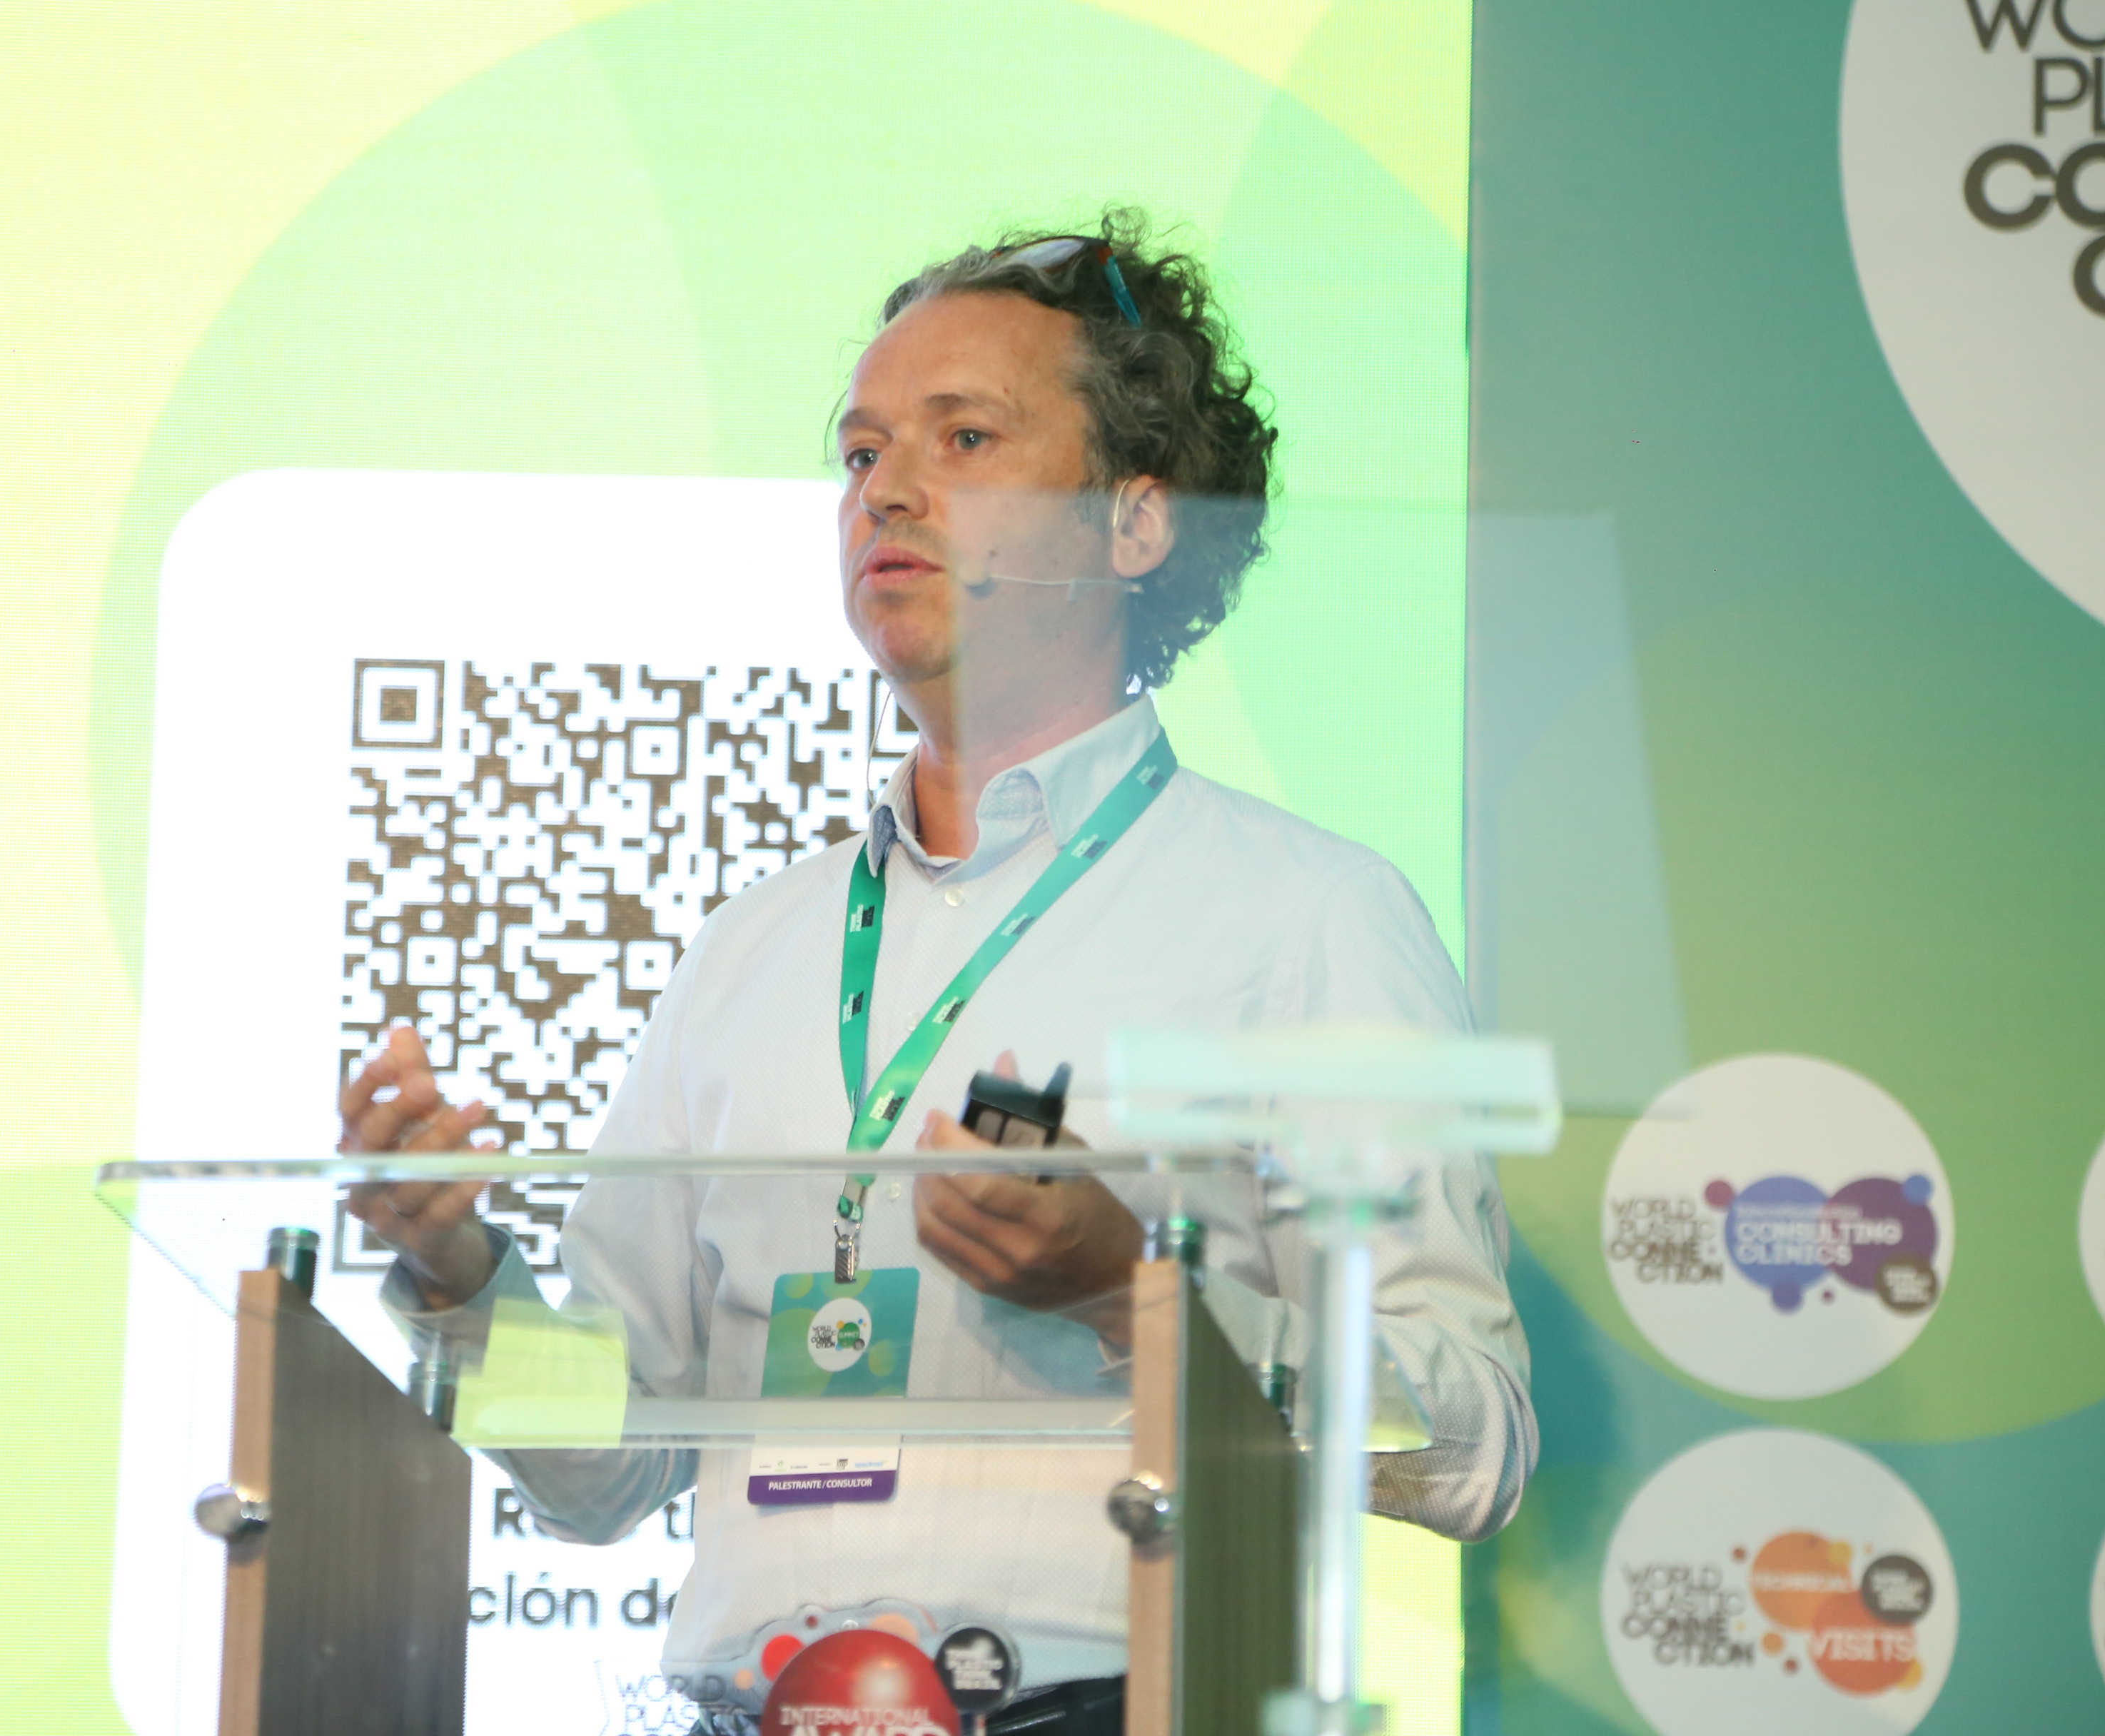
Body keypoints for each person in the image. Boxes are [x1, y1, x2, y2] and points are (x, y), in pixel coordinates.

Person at [339, 212, 1532, 1735]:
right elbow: (605, 1472)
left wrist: (1132, 1296)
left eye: (964, 438)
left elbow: (1473, 1442)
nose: (885, 491)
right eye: (860, 453)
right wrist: (458, 1274)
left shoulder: (1312, 920)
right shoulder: (751, 950)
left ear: (1138, 522)